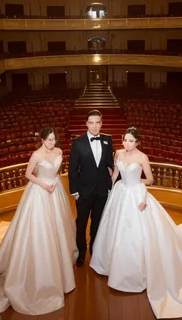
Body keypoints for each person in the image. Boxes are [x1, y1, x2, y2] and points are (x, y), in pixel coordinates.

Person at [90, 127, 182, 319]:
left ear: (137, 142)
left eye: (130, 141)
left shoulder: (142, 157)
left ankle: (134, 273)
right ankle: (109, 265)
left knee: (137, 235)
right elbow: (114, 175)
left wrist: (138, 188)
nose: (126, 144)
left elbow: (150, 179)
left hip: (137, 194)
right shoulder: (118, 152)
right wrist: (108, 189)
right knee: (114, 230)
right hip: (119, 193)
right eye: (125, 140)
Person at [0, 127, 77, 315]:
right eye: (48, 140)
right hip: (40, 191)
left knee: (60, 226)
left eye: (54, 139)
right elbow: (28, 174)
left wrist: (54, 183)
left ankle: (60, 259)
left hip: (56, 191)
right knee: (40, 230)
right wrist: (43, 184)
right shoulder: (36, 155)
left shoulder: (59, 152)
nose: (51, 143)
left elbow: (57, 171)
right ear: (41, 140)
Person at [68, 109, 114, 267]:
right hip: (83, 192)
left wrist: (110, 187)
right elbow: (73, 169)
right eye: (91, 123)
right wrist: (74, 191)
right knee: (81, 223)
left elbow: (110, 165)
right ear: (86, 124)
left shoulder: (108, 140)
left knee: (97, 222)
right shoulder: (78, 142)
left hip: (102, 191)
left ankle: (95, 249)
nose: (95, 126)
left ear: (102, 123)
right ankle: (82, 251)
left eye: (98, 122)